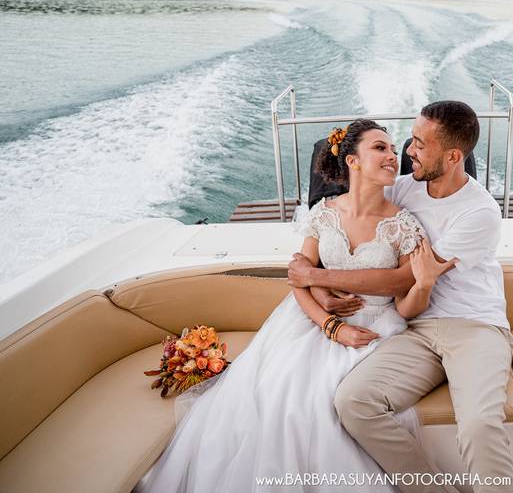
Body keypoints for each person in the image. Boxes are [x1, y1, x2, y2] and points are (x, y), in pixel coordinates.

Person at [135, 119, 453, 493]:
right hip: (311, 323)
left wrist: (319, 280)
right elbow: (298, 279)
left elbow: (399, 284)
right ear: (352, 161)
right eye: (380, 148)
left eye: (393, 149)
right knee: (276, 397)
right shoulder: (323, 214)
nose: (392, 156)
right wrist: (331, 324)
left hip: (377, 329)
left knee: (326, 406)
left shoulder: (403, 224)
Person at [288, 102, 513, 493]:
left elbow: (402, 279)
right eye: (410, 141)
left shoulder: (480, 212)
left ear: (453, 157)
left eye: (419, 144)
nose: (407, 152)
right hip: (413, 328)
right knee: (354, 402)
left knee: (479, 425)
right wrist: (310, 275)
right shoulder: (405, 186)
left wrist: (315, 275)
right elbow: (358, 214)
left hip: (474, 327)